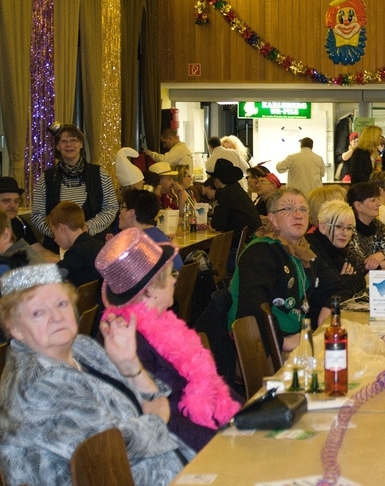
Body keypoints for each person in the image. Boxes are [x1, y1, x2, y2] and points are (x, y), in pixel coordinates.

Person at [0, 263, 193, 485]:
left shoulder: (81, 346)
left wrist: (129, 364)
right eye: (38, 313)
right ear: (15, 328)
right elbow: (107, 449)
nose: (56, 317)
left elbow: (154, 398)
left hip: (161, 467)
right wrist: (156, 419)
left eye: (61, 304)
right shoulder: (35, 386)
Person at [96, 228, 241, 451]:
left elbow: (213, 385)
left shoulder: (167, 322)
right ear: (151, 289)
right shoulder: (127, 341)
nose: (176, 279)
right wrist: (224, 444)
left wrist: (247, 416)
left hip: (207, 436)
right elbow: (165, 420)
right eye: (171, 274)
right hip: (178, 453)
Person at [228, 188, 315, 353]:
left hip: (293, 335)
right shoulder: (261, 250)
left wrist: (329, 304)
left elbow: (330, 284)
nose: (298, 215)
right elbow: (254, 306)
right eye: (288, 209)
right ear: (272, 219)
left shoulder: (301, 248)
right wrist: (281, 342)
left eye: (303, 209)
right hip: (261, 345)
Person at [31, 124, 117, 252]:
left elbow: (111, 208)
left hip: (94, 245)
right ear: (57, 146)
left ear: (81, 144)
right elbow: (37, 215)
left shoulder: (100, 174)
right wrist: (58, 233)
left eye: (73, 140)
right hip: (56, 247)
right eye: (64, 141)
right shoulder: (46, 178)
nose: (68, 145)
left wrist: (86, 229)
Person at [305, 200, 367, 326]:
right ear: (323, 227)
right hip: (311, 322)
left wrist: (344, 281)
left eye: (349, 228)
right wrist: (346, 280)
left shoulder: (337, 248)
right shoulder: (312, 247)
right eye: (339, 226)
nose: (345, 233)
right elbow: (338, 286)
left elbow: (353, 279)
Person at [208, 158, 262, 270]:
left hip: (239, 251)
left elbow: (217, 225)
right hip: (252, 246)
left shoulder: (224, 192)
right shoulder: (237, 190)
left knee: (205, 262)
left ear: (217, 181)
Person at [117, 189, 183, 269]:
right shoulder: (156, 233)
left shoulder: (140, 242)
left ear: (131, 212)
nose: (119, 212)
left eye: (122, 207)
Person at [47, 201, 104, 287]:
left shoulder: (76, 252)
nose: (54, 239)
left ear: (61, 228)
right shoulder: (99, 245)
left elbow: (53, 277)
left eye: (53, 233)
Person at [345, 182, 385, 273]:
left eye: (378, 199)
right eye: (373, 200)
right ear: (358, 206)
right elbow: (361, 265)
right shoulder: (348, 228)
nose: (379, 204)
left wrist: (381, 255)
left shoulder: (377, 225)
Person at [0, 176, 43, 253]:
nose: (13, 205)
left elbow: (39, 251)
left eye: (16, 201)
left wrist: (60, 259)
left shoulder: (20, 223)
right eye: (6, 201)